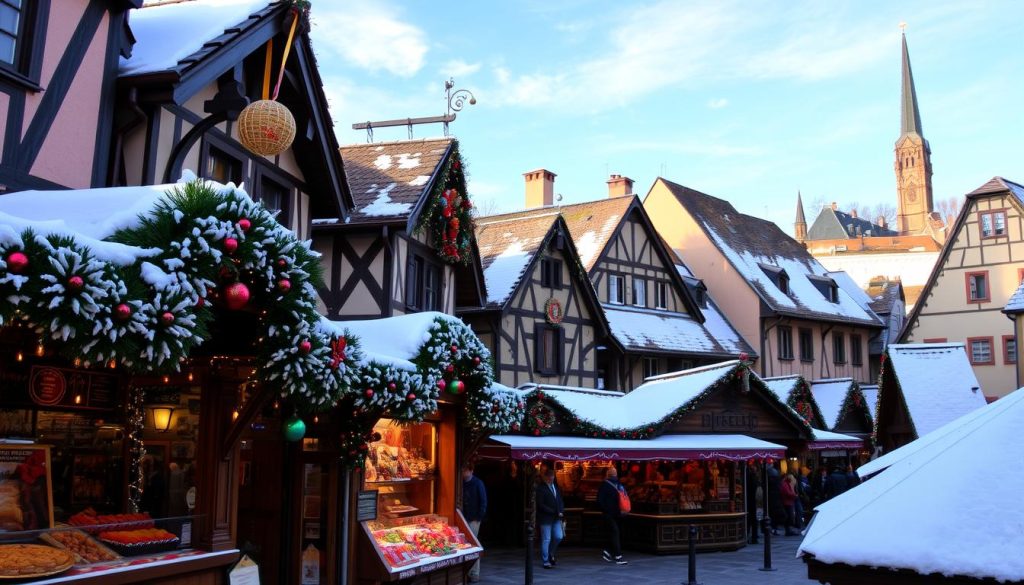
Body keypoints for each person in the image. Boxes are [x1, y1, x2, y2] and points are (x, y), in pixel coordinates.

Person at [596, 467, 628, 565]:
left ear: (607, 475)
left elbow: (599, 501)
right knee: (615, 533)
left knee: (613, 533)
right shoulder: (619, 484)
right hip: (619, 513)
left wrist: (605, 510)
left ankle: (608, 552)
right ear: (616, 475)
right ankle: (617, 556)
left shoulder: (604, 485)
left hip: (608, 514)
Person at [534, 467, 564, 570]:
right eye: (550, 476)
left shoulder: (555, 486)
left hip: (556, 517)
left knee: (559, 536)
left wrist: (561, 510)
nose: (552, 478)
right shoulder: (541, 488)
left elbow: (559, 500)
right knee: (546, 539)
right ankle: (546, 560)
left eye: (553, 476)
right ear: (545, 477)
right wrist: (553, 511)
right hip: (545, 518)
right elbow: (540, 504)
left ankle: (551, 553)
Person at [462, 464, 487, 582]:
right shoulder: (461, 483)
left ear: (471, 471)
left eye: (465, 470)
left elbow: (483, 501)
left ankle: (474, 573)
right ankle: (466, 572)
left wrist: (478, 517)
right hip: (463, 518)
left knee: (473, 545)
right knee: (465, 545)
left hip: (473, 519)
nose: (463, 472)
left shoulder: (478, 483)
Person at [745, 460, 761, 544]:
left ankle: (749, 535)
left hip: (750, 501)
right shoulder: (754, 477)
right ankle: (754, 536)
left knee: (750, 519)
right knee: (754, 519)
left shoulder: (749, 476)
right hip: (754, 501)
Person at [766, 463, 785, 535]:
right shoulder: (776, 483)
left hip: (772, 500)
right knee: (775, 515)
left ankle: (772, 528)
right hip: (776, 500)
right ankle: (774, 528)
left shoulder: (770, 482)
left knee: (772, 514)